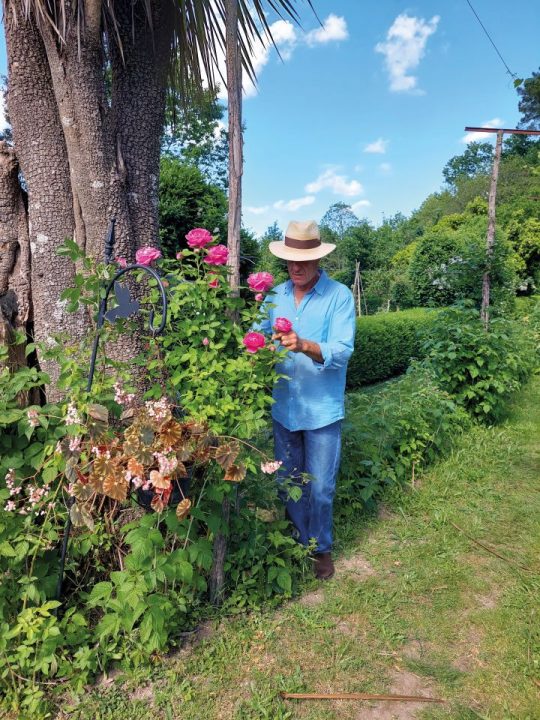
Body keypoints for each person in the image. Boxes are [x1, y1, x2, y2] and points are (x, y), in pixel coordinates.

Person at [260, 220, 356, 580]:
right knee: (288, 480)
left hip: (322, 409)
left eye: (304, 260)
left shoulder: (339, 296)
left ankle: (321, 548)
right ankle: (300, 541)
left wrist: (303, 345)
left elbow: (343, 351)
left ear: (318, 260)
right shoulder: (275, 296)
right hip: (284, 406)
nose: (296, 267)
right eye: (290, 260)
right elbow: (258, 334)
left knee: (321, 486)